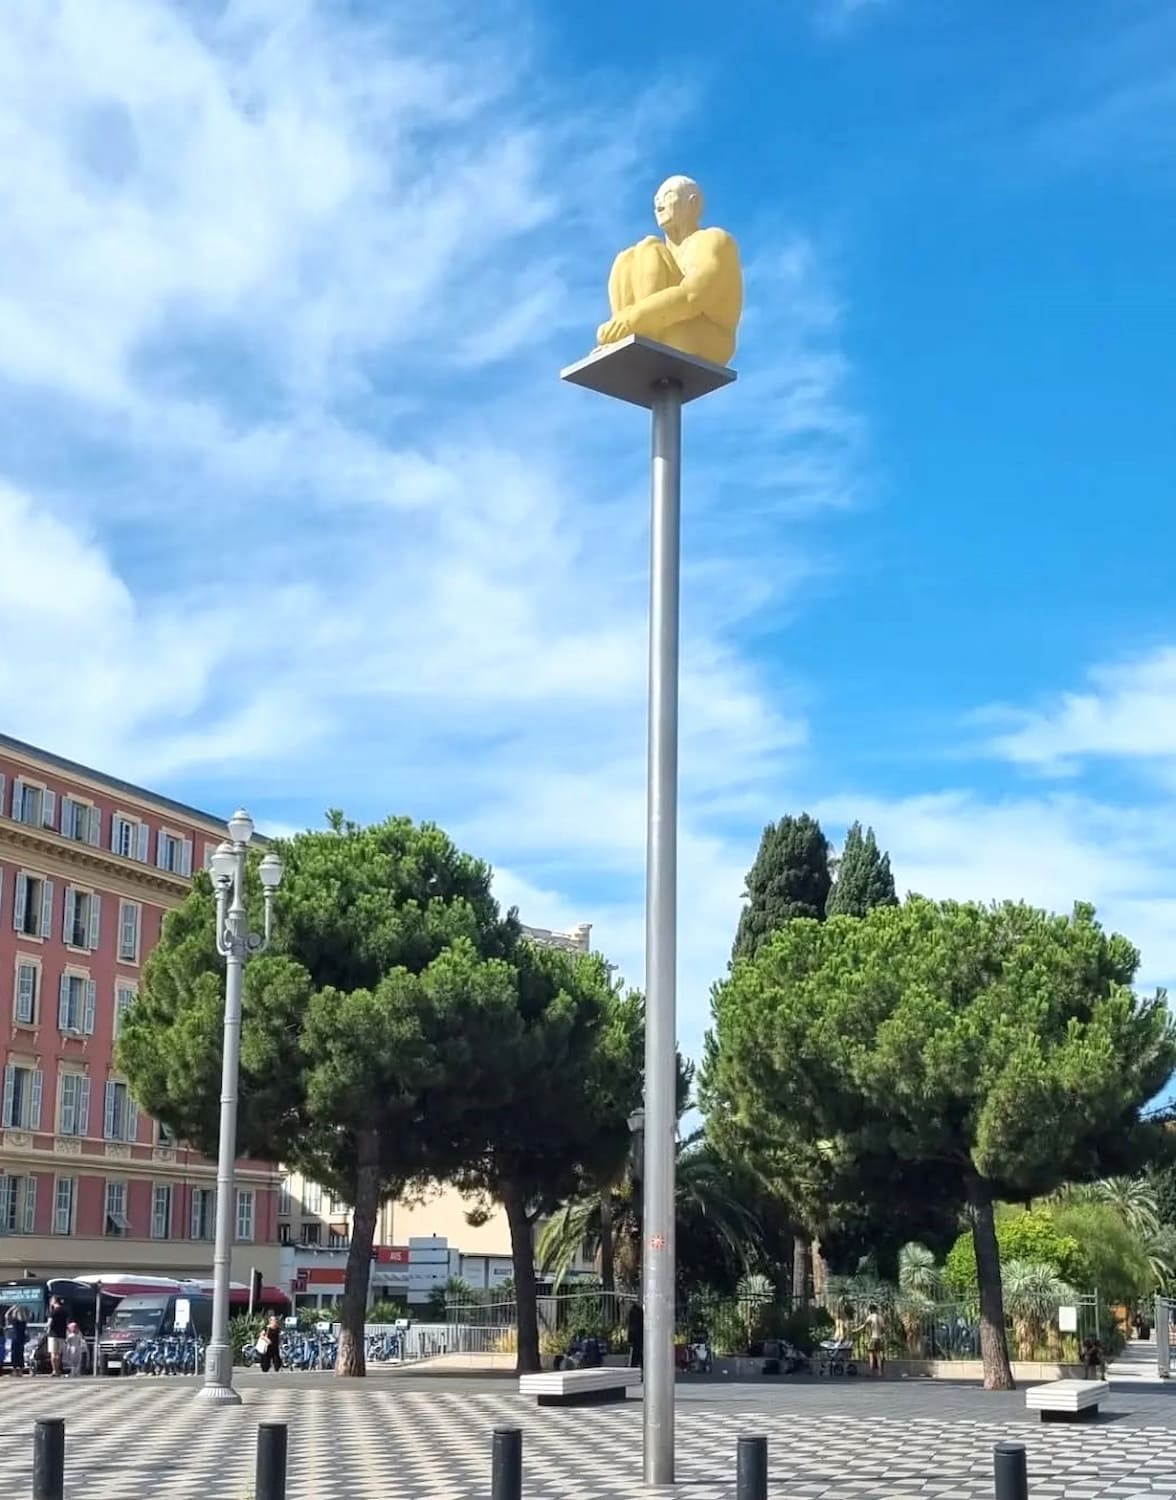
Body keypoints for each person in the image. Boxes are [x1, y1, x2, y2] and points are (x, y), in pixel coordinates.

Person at [596, 176, 744, 367]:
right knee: (637, 252)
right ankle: (636, 337)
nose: (659, 207)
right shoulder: (659, 252)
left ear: (693, 203)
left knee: (650, 247)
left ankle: (643, 332)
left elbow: (691, 296)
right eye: (656, 202)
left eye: (669, 197)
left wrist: (631, 320)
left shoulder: (713, 240)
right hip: (663, 324)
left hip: (708, 335)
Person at [858, 1303, 886, 1378]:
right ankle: (880, 1372)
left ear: (871, 1310)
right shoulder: (880, 1317)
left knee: (871, 1355)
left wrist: (855, 1330)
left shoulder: (870, 1317)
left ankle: (871, 1372)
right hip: (879, 1338)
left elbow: (864, 1326)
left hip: (873, 1338)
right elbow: (883, 1328)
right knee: (878, 1355)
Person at [46, 1295, 69, 1377]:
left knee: (53, 1353)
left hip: (53, 1334)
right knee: (59, 1354)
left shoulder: (53, 1311)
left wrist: (47, 1328)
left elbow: (49, 1323)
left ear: (54, 1301)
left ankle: (54, 1370)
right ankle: (58, 1370)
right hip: (62, 1334)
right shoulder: (64, 1311)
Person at [6, 1303, 28, 1375]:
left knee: (14, 1354)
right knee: (20, 1354)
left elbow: (6, 1316)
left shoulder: (15, 1321)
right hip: (21, 1340)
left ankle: (15, 1370)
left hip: (15, 1339)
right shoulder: (24, 1322)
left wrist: (11, 1309)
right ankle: (21, 1370)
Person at [627, 1300, 644, 1370]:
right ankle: (640, 1366)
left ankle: (634, 1366)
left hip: (636, 1335)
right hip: (639, 1335)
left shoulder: (634, 1311)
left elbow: (632, 1325)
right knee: (638, 1352)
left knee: (636, 1353)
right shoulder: (638, 1311)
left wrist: (630, 1336)